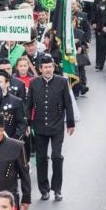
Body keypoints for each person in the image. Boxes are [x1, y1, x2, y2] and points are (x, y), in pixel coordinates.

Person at [24, 55, 75, 201]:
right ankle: (44, 189)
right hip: (39, 127)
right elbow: (29, 106)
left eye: (50, 67)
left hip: (57, 126)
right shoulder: (34, 83)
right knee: (41, 158)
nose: (47, 69)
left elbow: (68, 104)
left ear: (53, 67)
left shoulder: (62, 82)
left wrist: (70, 123)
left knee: (56, 157)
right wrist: (27, 124)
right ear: (40, 69)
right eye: (45, 67)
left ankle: (57, 189)